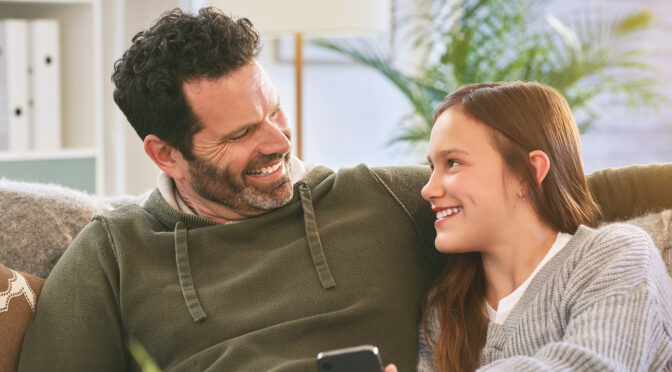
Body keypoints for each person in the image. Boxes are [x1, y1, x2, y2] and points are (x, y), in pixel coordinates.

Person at [15, 8, 672, 372]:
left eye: (275, 109)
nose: (277, 140)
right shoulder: (112, 257)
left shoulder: (377, 199)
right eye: (243, 132)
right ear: (166, 153)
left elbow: (532, 190)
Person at [403, 82, 671, 372]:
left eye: (453, 162)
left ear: (528, 174)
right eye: (432, 167)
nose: (427, 190)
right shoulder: (444, 310)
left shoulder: (618, 256)